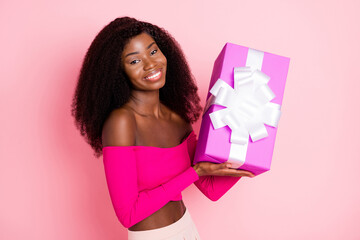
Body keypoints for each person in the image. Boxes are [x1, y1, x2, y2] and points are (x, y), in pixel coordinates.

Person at [71, 17, 255, 240]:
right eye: (134, 61)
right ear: (118, 72)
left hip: (188, 230)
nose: (150, 64)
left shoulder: (176, 117)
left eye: (153, 51)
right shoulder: (121, 122)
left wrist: (248, 153)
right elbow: (128, 215)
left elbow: (210, 188)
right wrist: (194, 172)